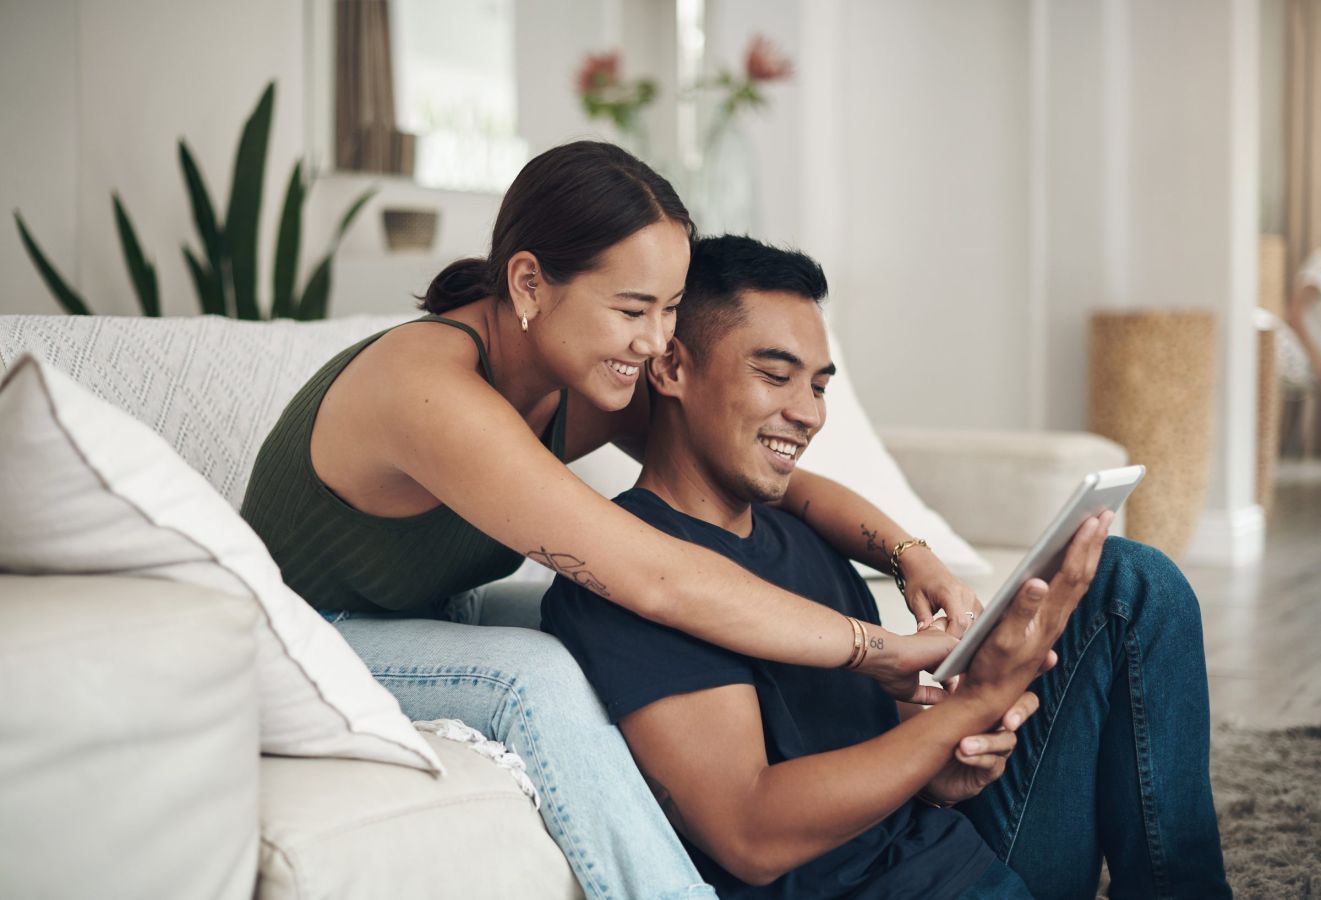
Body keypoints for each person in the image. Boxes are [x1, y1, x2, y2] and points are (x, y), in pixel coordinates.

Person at [241, 142, 982, 899]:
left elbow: (778, 487)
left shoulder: (582, 377)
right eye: (632, 309)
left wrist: (908, 555)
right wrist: (877, 649)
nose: (656, 341)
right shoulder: (427, 387)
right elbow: (657, 577)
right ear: (529, 282)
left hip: (428, 610)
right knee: (536, 674)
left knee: (638, 624)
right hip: (300, 636)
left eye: (667, 310)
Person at [542, 235, 1232, 899]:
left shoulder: (798, 530)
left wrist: (949, 761)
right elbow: (749, 834)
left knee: (1130, 580)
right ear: (670, 369)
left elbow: (869, 729)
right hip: (871, 887)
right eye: (774, 375)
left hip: (958, 845)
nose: (806, 413)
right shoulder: (627, 572)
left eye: (817, 385)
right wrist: (975, 703)